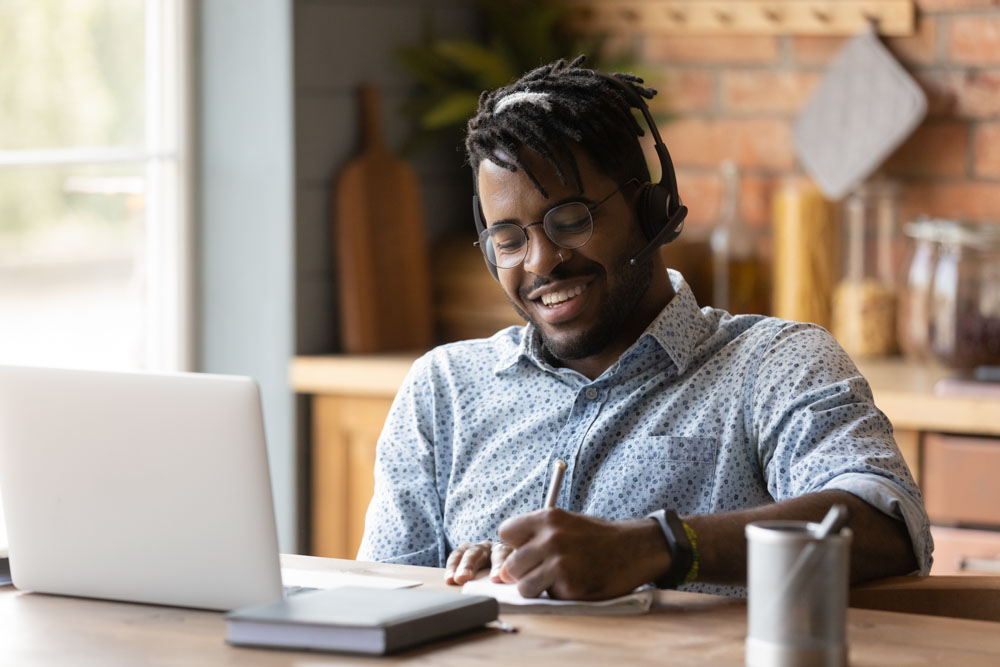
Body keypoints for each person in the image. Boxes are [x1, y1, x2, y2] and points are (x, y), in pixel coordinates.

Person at [357, 56, 931, 599]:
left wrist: (658, 547)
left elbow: (886, 522)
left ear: (650, 208)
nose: (539, 262)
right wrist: (483, 585)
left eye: (571, 220)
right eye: (509, 239)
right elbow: (385, 602)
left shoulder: (775, 363)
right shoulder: (444, 390)